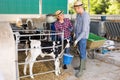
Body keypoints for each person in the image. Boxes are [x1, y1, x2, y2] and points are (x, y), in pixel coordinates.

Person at [73, 0, 90, 77]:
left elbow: (84, 31)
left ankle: (81, 71)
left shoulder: (85, 16)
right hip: (78, 37)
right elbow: (76, 25)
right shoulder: (78, 15)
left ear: (79, 7)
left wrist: (77, 40)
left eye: (75, 8)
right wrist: (74, 33)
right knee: (80, 52)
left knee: (82, 53)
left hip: (82, 38)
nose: (74, 10)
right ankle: (82, 66)